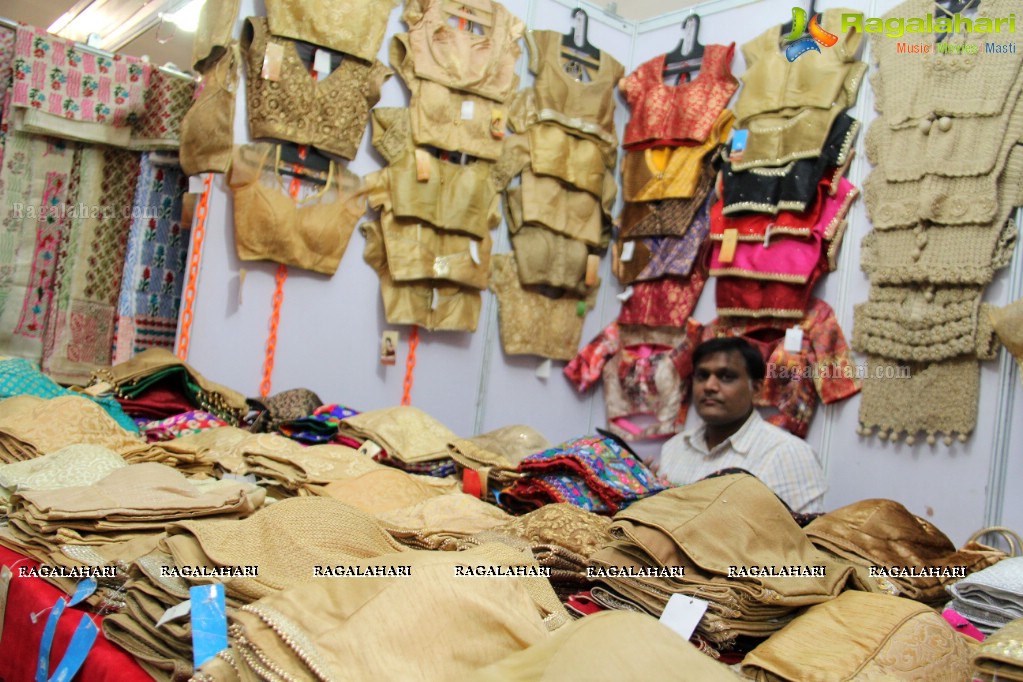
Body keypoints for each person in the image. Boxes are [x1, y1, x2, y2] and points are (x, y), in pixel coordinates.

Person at [655, 336, 827, 513]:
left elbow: (804, 538)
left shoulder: (788, 454)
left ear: (757, 389)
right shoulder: (673, 448)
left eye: (727, 377)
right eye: (702, 376)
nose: (709, 386)